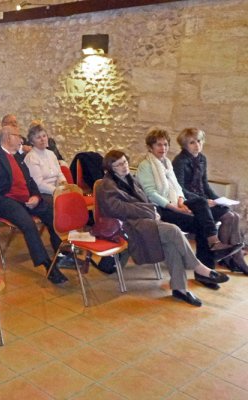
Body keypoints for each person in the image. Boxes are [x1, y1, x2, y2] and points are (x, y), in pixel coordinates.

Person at [96, 150, 231, 306]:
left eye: (125, 162)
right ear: (110, 168)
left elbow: (145, 200)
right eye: (118, 164)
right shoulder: (106, 185)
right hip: (127, 226)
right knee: (174, 230)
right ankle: (199, 268)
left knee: (172, 242)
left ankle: (180, 289)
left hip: (143, 222)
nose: (124, 166)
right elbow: (117, 209)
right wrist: (149, 211)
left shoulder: (131, 179)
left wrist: (152, 211)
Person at [136, 127, 242, 285]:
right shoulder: (146, 166)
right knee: (202, 220)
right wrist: (176, 207)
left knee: (201, 209)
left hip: (176, 203)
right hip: (162, 209)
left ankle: (209, 258)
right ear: (150, 147)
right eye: (158, 145)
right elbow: (151, 194)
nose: (163, 148)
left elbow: (177, 188)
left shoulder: (166, 164)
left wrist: (180, 201)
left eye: (165, 144)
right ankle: (208, 265)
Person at [0, 125, 68, 284]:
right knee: (28, 224)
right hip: (3, 201)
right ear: (8, 137)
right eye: (18, 136)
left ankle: (60, 252)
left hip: (26, 200)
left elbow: (30, 182)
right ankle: (48, 266)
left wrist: (36, 197)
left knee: (53, 213)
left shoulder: (19, 157)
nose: (21, 140)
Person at [173, 128, 248, 273]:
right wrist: (204, 200)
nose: (197, 145)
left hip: (203, 200)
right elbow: (180, 188)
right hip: (190, 202)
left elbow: (204, 185)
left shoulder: (202, 159)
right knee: (228, 216)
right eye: (192, 142)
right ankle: (234, 260)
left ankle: (230, 257)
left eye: (199, 141)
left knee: (234, 216)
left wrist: (218, 199)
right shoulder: (180, 161)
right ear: (184, 145)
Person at [23, 123, 67, 253]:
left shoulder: (51, 154)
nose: (42, 139)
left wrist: (64, 183)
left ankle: (72, 242)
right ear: (32, 141)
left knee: (72, 204)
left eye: (44, 136)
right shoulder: (31, 157)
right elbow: (38, 183)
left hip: (56, 190)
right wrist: (56, 191)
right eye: (38, 137)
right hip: (40, 194)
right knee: (56, 211)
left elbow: (59, 173)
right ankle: (60, 250)